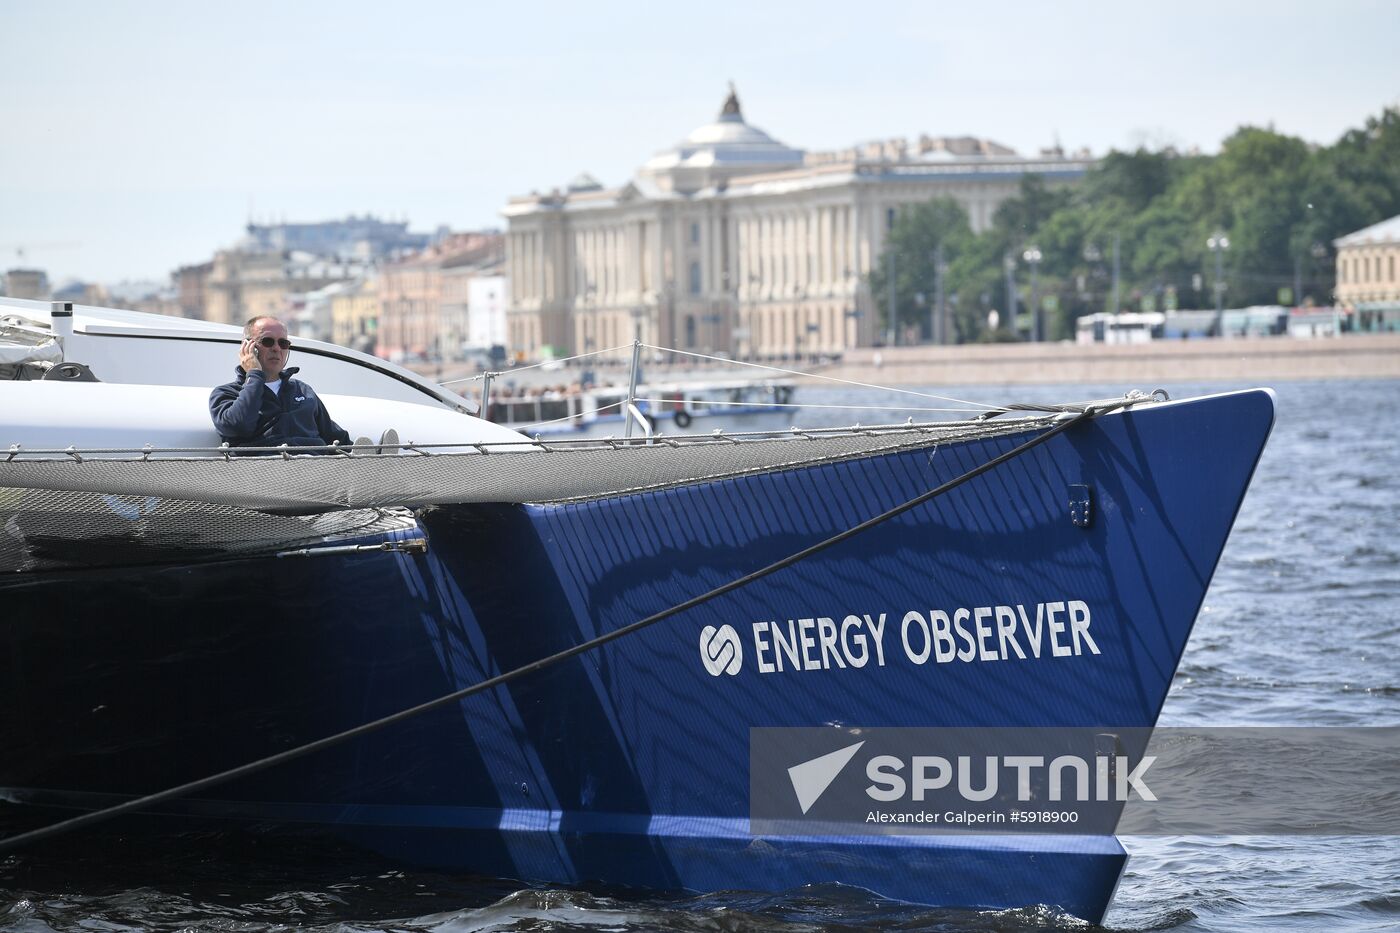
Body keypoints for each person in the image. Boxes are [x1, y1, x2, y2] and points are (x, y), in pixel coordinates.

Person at [209, 316, 353, 453]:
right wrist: (254, 375)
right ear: (248, 347)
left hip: (314, 465)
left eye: (283, 343)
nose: (277, 348)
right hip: (263, 470)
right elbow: (238, 427)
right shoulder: (226, 393)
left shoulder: (302, 390)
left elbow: (335, 437)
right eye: (267, 341)